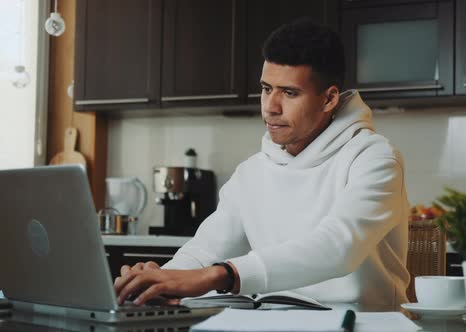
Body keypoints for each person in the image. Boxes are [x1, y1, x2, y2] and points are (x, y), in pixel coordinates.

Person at [114, 18, 411, 310]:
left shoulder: (375, 158)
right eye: (267, 88)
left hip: (363, 324)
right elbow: (206, 249)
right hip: (272, 321)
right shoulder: (252, 171)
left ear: (329, 99)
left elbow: (338, 247)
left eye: (289, 92)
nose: (270, 106)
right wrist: (161, 280)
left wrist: (222, 274)